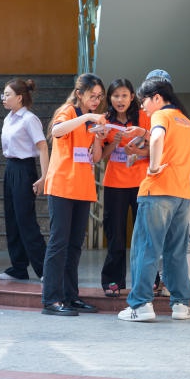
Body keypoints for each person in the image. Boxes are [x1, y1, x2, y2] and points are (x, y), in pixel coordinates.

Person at [118, 69, 190, 322]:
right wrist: (186, 175)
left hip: (157, 192)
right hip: (182, 195)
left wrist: (153, 166)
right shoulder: (186, 121)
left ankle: (140, 306)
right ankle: (181, 305)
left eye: (143, 101)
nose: (143, 107)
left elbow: (157, 136)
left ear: (157, 97)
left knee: (146, 249)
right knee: (175, 252)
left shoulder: (162, 115)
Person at [41, 73, 106, 316]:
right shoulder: (68, 111)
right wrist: (87, 117)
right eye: (92, 96)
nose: (96, 101)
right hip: (61, 185)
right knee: (59, 243)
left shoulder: (91, 121)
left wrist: (98, 138)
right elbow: (57, 131)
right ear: (79, 94)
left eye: (100, 97)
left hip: (82, 186)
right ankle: (51, 299)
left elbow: (96, 158)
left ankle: (70, 296)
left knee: (75, 245)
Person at [90, 79, 151, 297]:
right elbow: (100, 158)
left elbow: (158, 147)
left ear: (132, 97)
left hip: (141, 183)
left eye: (124, 95)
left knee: (144, 234)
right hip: (114, 183)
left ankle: (149, 280)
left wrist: (139, 145)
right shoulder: (105, 121)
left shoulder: (144, 117)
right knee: (115, 234)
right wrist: (114, 142)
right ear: (110, 99)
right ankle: (113, 281)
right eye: (115, 96)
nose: (120, 100)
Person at [0, 78, 48, 281]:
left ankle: (45, 269)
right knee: (12, 219)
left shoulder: (29, 119)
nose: (4, 98)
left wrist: (45, 176)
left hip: (25, 168)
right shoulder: (8, 118)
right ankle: (18, 267)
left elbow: (43, 146)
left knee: (26, 220)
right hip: (11, 167)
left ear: (19, 97)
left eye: (7, 94)